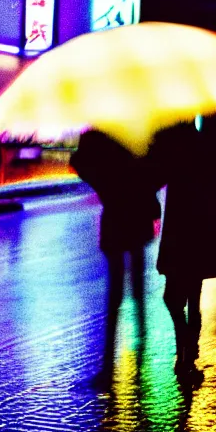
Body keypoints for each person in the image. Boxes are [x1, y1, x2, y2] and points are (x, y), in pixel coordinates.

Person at [148, 117, 216, 381]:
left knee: (177, 297)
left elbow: (157, 177)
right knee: (191, 298)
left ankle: (185, 353)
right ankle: (187, 351)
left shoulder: (183, 148)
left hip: (183, 233)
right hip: (196, 234)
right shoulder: (200, 146)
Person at [70, 130, 161, 387]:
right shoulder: (135, 141)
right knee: (136, 284)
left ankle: (109, 364)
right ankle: (142, 338)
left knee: (115, 292)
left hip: (114, 222)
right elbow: (153, 177)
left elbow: (81, 165)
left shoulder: (100, 147)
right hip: (137, 219)